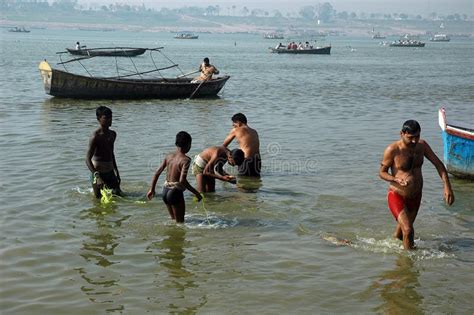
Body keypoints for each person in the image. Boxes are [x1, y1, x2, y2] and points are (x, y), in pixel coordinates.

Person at [379, 120, 454, 250]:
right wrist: (395, 179)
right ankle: (408, 265)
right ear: (402, 133)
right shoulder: (393, 150)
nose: (414, 141)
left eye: (417, 136)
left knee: (401, 234)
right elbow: (381, 173)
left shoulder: (422, 146)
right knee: (408, 230)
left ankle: (394, 252)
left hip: (415, 197)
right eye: (410, 137)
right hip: (397, 195)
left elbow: (439, 165)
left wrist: (447, 186)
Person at [147, 131, 202, 223]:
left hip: (165, 191)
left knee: (173, 221)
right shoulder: (186, 160)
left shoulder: (169, 156)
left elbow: (157, 173)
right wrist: (196, 193)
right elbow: (182, 181)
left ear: (176, 143)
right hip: (174, 193)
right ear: (188, 144)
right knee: (180, 223)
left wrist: (152, 189)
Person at [86, 106, 122, 198]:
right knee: (98, 201)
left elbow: (111, 154)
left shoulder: (113, 134)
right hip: (98, 173)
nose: (110, 120)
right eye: (106, 118)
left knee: (119, 196)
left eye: (111, 117)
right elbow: (87, 159)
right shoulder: (95, 137)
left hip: (110, 172)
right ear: (99, 119)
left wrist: (116, 172)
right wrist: (97, 177)